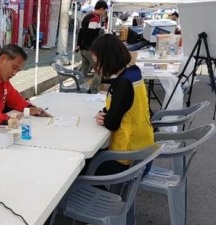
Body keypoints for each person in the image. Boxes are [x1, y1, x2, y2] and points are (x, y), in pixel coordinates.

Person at [91, 34, 154, 175]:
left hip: (127, 159)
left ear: (106, 59)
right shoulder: (133, 72)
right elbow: (124, 106)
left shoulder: (122, 83)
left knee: (83, 167)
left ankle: (103, 195)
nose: (96, 67)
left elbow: (112, 123)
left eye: (97, 61)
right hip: (144, 150)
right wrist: (105, 112)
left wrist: (103, 118)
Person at [76, 0, 108, 93]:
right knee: (99, 70)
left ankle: (78, 87)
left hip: (83, 49)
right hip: (89, 49)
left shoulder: (87, 16)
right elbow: (90, 35)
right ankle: (93, 90)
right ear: (101, 9)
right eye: (104, 11)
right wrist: (93, 50)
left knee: (84, 70)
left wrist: (79, 45)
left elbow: (81, 32)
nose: (104, 13)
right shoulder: (95, 18)